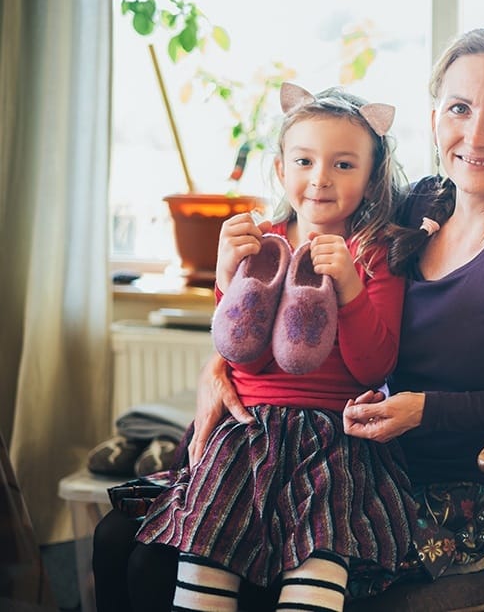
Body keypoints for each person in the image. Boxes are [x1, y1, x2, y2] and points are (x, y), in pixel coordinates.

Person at [95, 28, 484, 610]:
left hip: (439, 490)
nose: (476, 135)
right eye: (460, 108)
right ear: (435, 118)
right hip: (336, 452)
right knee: (117, 537)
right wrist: (217, 368)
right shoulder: (423, 205)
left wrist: (426, 410)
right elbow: (294, 290)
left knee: (156, 566)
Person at [96, 84, 416, 611]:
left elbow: (374, 367)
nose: (321, 178)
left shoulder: (374, 253)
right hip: (246, 435)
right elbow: (238, 345)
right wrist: (228, 275)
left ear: (371, 176)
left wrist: (350, 290)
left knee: (320, 557)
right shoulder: (262, 240)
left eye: (343, 165)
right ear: (281, 167)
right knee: (206, 557)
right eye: (305, 161)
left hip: (332, 441)